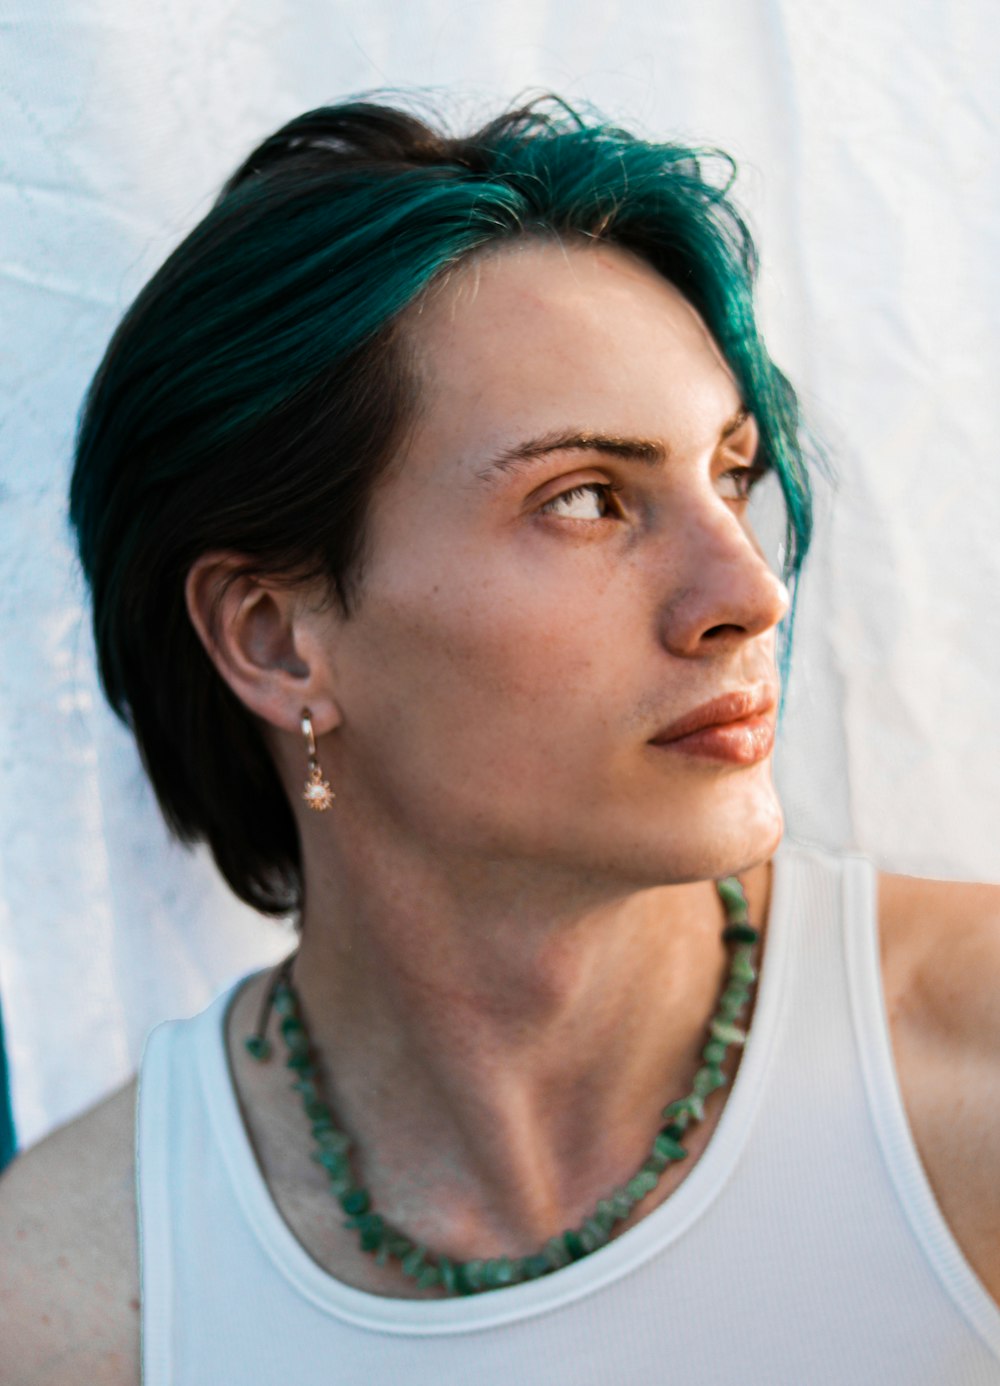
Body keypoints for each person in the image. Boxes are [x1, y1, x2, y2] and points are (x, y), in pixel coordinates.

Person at [1, 93, 998, 1385]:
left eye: (732, 471)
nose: (747, 589)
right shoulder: (80, 1306)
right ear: (273, 636)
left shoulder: (969, 1075)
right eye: (586, 498)